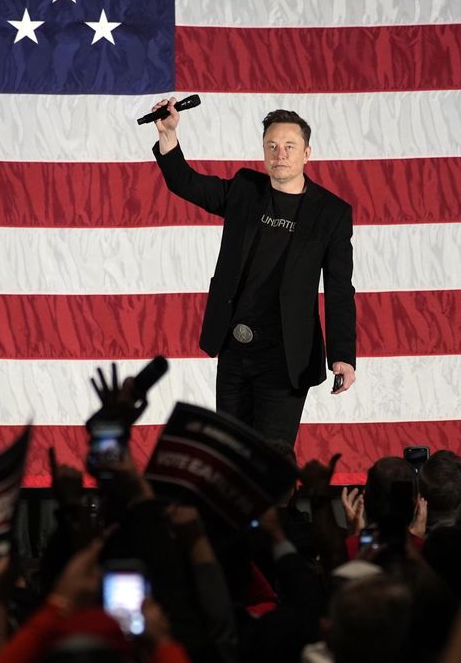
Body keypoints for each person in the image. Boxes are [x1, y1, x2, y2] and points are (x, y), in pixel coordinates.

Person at [150, 99, 356, 444]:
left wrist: (342, 356)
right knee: (229, 453)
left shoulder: (331, 212)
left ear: (307, 153)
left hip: (286, 357)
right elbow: (186, 184)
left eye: (290, 146)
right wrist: (169, 135)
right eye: (272, 146)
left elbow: (338, 288)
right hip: (235, 348)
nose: (280, 154)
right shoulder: (245, 189)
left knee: (272, 459)